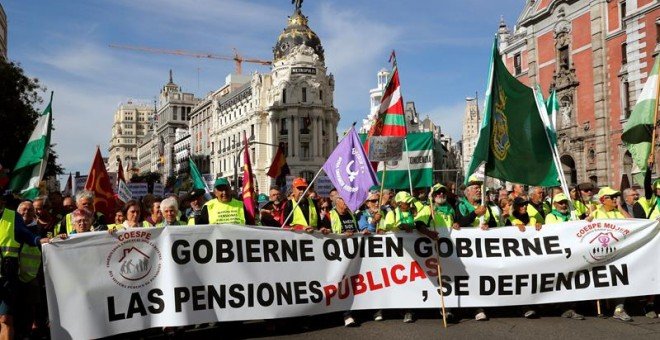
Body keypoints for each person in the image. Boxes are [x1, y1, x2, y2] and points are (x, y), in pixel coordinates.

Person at [0, 194, 51, 340]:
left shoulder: (12, 217)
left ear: (2, 201)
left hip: (7, 276)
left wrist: (38, 240)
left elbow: (25, 234)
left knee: (6, 319)